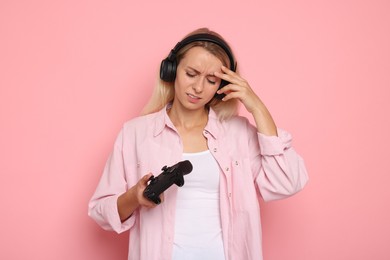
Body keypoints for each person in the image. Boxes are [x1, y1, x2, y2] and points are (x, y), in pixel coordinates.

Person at [88, 27, 308, 260]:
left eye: (211, 80)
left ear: (222, 87)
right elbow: (101, 212)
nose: (199, 88)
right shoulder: (135, 133)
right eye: (191, 74)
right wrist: (134, 197)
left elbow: (288, 182)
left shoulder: (238, 134)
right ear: (171, 70)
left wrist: (257, 108)